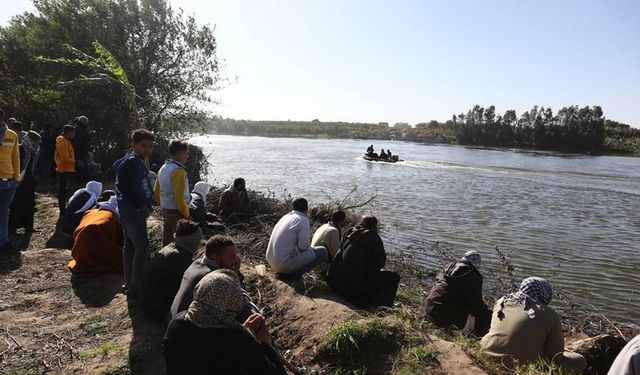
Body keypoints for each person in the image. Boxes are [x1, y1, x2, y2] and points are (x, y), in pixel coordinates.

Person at [163, 269, 287, 375]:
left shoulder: (177, 323)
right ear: (231, 304)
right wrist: (266, 344)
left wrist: (241, 330)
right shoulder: (240, 343)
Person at [480, 277, 587, 373]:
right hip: (519, 366)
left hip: (486, 353)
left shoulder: (502, 301)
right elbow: (555, 355)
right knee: (579, 360)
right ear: (545, 292)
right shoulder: (549, 314)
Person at [170, 235, 258, 321]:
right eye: (232, 257)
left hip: (176, 321)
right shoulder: (214, 279)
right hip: (187, 328)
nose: (236, 260)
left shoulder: (197, 263)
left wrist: (235, 274)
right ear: (215, 257)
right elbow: (236, 303)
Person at [113, 129, 155, 297]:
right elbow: (123, 187)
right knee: (143, 246)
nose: (147, 150)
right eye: (143, 146)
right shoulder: (130, 162)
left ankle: (129, 281)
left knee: (130, 246)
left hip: (130, 210)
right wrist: (139, 205)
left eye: (150, 147)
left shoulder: (138, 161)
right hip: (132, 211)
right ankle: (135, 285)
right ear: (133, 145)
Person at [326, 215, 400, 307]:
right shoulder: (373, 237)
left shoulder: (349, 232)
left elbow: (340, 253)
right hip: (352, 288)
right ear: (374, 226)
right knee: (394, 277)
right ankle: (379, 305)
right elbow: (380, 263)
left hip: (335, 283)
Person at [140, 220, 202, 320]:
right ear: (192, 240)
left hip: (147, 303)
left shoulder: (170, 248)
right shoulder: (180, 258)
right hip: (157, 309)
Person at [423, 250, 491, 336]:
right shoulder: (474, 276)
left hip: (429, 311)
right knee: (486, 317)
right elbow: (476, 306)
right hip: (444, 321)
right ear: (477, 264)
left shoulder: (447, 268)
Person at [265, 198, 327, 278]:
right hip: (282, 264)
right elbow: (303, 248)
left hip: (271, 260)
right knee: (322, 251)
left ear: (293, 207)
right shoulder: (303, 220)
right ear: (307, 209)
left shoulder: (285, 217)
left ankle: (289, 272)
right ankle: (295, 275)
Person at [67, 196, 124, 276]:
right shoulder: (111, 217)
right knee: (124, 258)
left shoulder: (91, 212)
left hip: (78, 252)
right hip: (93, 250)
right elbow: (119, 239)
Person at [154, 139, 190, 247]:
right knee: (180, 242)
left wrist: (163, 204)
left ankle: (164, 259)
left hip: (166, 208)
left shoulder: (163, 168)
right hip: (177, 210)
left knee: (167, 238)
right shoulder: (178, 171)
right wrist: (187, 214)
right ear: (180, 153)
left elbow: (156, 191)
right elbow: (179, 198)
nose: (187, 156)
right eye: (186, 153)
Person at [9, 131, 42, 235]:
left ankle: (29, 226)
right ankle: (12, 227)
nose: (40, 142)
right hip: (20, 181)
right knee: (17, 204)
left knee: (30, 204)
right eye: (37, 140)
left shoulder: (34, 151)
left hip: (30, 181)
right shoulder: (21, 149)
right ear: (31, 141)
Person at [0, 109, 20, 253]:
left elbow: (16, 157)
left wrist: (16, 177)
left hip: (9, 181)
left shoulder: (12, 135)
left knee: (4, 213)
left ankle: (3, 242)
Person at [54, 124, 76, 215]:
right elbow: (64, 158)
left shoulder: (66, 141)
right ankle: (63, 211)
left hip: (68, 169)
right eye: (73, 132)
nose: (74, 134)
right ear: (69, 132)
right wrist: (75, 162)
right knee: (63, 191)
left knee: (66, 191)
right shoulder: (63, 142)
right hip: (64, 170)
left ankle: (65, 208)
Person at [72, 115, 90, 181]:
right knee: (80, 167)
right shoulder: (81, 131)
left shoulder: (74, 129)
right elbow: (78, 144)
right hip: (80, 153)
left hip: (75, 152)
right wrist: (79, 157)